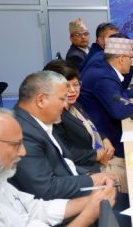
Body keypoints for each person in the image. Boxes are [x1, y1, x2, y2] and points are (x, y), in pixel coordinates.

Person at [10, 71, 112, 200]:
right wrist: (91, 181)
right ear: (41, 100)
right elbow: (46, 189)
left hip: (75, 183)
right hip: (62, 203)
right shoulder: (21, 132)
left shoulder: (39, 120)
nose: (65, 104)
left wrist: (88, 175)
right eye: (62, 99)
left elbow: (63, 162)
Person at [43, 60, 128, 191]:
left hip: (104, 158)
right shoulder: (54, 115)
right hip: (88, 169)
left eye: (76, 85)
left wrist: (105, 139)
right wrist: (96, 155)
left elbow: (91, 126)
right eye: (66, 86)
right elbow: (64, 151)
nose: (72, 91)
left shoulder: (75, 105)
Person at [79, 36, 133, 158]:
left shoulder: (104, 68)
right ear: (121, 59)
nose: (132, 62)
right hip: (105, 138)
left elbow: (120, 95)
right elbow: (119, 111)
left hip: (104, 125)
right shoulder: (104, 77)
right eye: (131, 58)